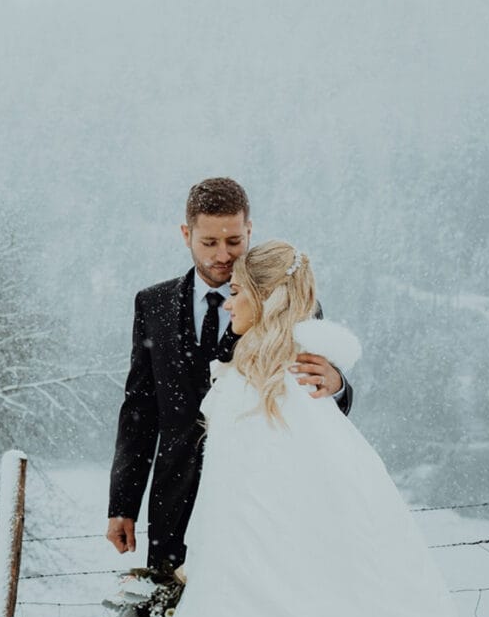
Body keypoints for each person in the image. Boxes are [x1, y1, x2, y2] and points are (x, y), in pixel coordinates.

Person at [144, 241, 489, 617]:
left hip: (260, 564)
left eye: (238, 292)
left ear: (264, 298)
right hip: (234, 557)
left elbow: (311, 479)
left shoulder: (290, 383)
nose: (228, 303)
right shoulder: (256, 372)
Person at [107, 178, 353, 572]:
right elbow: (140, 410)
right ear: (186, 234)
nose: (223, 255)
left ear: (249, 230)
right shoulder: (153, 305)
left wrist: (336, 386)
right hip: (173, 507)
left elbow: (314, 408)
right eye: (209, 242)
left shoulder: (290, 306)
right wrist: (123, 503)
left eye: (234, 241)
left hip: (256, 509)